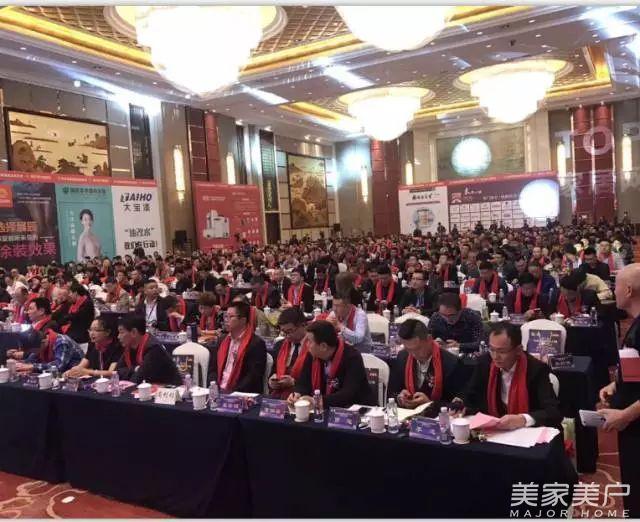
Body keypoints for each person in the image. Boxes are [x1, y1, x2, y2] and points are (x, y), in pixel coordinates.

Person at [459, 323, 562, 429]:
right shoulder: (485, 363)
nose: (495, 357)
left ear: (518, 350)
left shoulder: (536, 369)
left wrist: (523, 419)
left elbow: (553, 412)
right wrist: (460, 403)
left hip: (527, 431)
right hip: (494, 430)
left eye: (502, 351)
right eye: (492, 349)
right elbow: (470, 393)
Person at [597, 264, 640, 517]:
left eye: (616, 287)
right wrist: (617, 384)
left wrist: (625, 415)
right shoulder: (635, 325)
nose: (613, 292)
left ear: (629, 290)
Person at [288, 320, 375, 408]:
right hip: (323, 408)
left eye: (310, 342)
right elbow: (303, 382)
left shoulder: (352, 357)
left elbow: (348, 394)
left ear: (323, 346)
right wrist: (297, 394)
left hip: (355, 408)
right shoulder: (312, 355)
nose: (307, 345)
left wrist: (317, 401)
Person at [389, 319, 465, 408]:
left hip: (438, 415)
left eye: (418, 349)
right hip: (408, 414)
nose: (414, 354)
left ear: (429, 339)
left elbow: (457, 406)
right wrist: (400, 398)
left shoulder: (451, 363)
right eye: (408, 349)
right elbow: (391, 393)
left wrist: (430, 404)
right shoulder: (402, 357)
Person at [210, 301, 266, 393]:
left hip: (241, 393)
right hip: (219, 391)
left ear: (243, 320)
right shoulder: (222, 340)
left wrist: (232, 393)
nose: (226, 320)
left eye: (231, 317)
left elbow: (252, 377)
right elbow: (213, 370)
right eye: (225, 316)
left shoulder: (256, 344)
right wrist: (214, 387)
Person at [115, 315, 181, 385]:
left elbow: (138, 379)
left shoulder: (154, 348)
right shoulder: (129, 347)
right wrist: (134, 369)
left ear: (134, 332)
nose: (118, 336)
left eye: (121, 332)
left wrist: (129, 372)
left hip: (168, 388)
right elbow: (117, 372)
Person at [269, 307, 311, 399]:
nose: (287, 336)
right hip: (279, 395)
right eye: (284, 332)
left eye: (290, 331)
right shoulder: (280, 345)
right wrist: (272, 382)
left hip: (304, 397)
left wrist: (293, 382)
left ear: (303, 325)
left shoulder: (313, 346)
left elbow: (315, 379)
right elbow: (274, 371)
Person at [16, 328, 84, 374]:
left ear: (43, 342)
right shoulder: (40, 343)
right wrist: (20, 364)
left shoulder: (62, 342)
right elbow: (31, 360)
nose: (33, 353)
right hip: (59, 374)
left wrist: (33, 367)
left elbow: (58, 366)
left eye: (34, 351)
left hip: (73, 374)